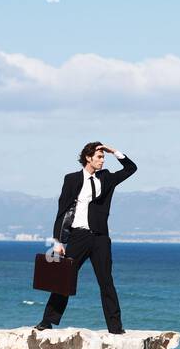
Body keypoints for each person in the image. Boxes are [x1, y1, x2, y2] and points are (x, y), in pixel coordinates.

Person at [35, 142, 137, 333]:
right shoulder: (72, 179)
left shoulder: (107, 178)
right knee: (64, 279)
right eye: (99, 157)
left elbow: (131, 168)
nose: (102, 160)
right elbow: (62, 210)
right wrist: (58, 242)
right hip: (78, 236)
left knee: (106, 282)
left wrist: (113, 151)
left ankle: (115, 327)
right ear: (88, 158)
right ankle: (47, 320)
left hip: (100, 238)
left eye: (103, 157)